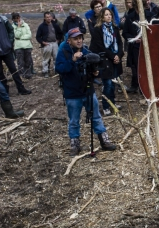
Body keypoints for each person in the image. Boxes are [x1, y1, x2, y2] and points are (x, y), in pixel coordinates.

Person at [55, 27, 116, 155]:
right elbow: (60, 69)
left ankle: (104, 141)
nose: (79, 41)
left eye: (80, 38)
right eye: (75, 39)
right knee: (73, 121)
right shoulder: (64, 52)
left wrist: (95, 73)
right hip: (72, 93)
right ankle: (75, 145)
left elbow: (94, 70)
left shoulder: (87, 51)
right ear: (69, 40)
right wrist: (72, 60)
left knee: (96, 117)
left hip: (88, 91)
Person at [90, 8, 124, 116]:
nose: (109, 17)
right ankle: (105, 106)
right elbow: (100, 46)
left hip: (115, 59)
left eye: (110, 15)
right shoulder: (98, 29)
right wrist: (112, 55)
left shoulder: (114, 28)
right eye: (106, 15)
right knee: (107, 84)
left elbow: (119, 42)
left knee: (114, 83)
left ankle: (113, 103)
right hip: (105, 60)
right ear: (101, 17)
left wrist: (118, 55)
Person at [0, 3, 31, 95]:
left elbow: (11, 31)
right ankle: (5, 91)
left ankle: (21, 89)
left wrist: (9, 43)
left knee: (14, 70)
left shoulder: (3, 20)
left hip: (7, 50)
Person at [36, 11, 63, 77]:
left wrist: (58, 40)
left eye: (49, 17)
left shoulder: (55, 25)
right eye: (47, 17)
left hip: (54, 43)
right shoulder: (41, 26)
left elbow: (60, 33)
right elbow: (38, 36)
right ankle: (45, 71)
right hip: (47, 44)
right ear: (44, 18)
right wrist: (42, 42)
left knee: (56, 58)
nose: (49, 18)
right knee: (46, 59)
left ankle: (56, 70)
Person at [122, 0, 141, 93]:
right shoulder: (130, 17)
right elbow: (125, 33)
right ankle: (134, 85)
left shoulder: (148, 16)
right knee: (135, 67)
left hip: (147, 48)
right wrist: (134, 38)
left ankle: (144, 87)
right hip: (134, 48)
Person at [12, 12, 33, 79]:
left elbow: (29, 35)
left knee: (28, 61)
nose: (17, 20)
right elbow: (16, 35)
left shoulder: (26, 25)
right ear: (13, 19)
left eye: (18, 18)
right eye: (15, 19)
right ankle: (22, 75)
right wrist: (18, 27)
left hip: (27, 46)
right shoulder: (13, 27)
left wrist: (21, 38)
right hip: (18, 47)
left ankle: (28, 74)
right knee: (20, 62)